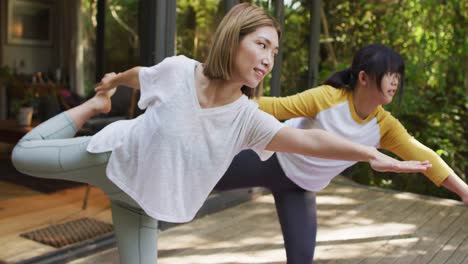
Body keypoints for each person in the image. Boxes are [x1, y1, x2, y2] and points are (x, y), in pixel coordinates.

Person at [11, 4, 430, 264]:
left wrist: (369, 153)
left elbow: (311, 141)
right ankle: (89, 110)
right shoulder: (179, 71)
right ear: (234, 38)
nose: (268, 60)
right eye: (261, 45)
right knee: (23, 155)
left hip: (143, 204)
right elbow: (143, 75)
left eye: (274, 53)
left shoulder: (247, 119)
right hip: (111, 159)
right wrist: (110, 86)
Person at [214, 43, 468, 263]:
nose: (395, 81)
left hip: (300, 188)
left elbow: (426, 157)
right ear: (364, 77)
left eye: (398, 76)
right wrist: (218, 97)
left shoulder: (385, 127)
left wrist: (463, 191)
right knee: (194, 179)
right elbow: (277, 107)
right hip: (268, 159)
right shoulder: (329, 98)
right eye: (389, 74)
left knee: (302, 260)